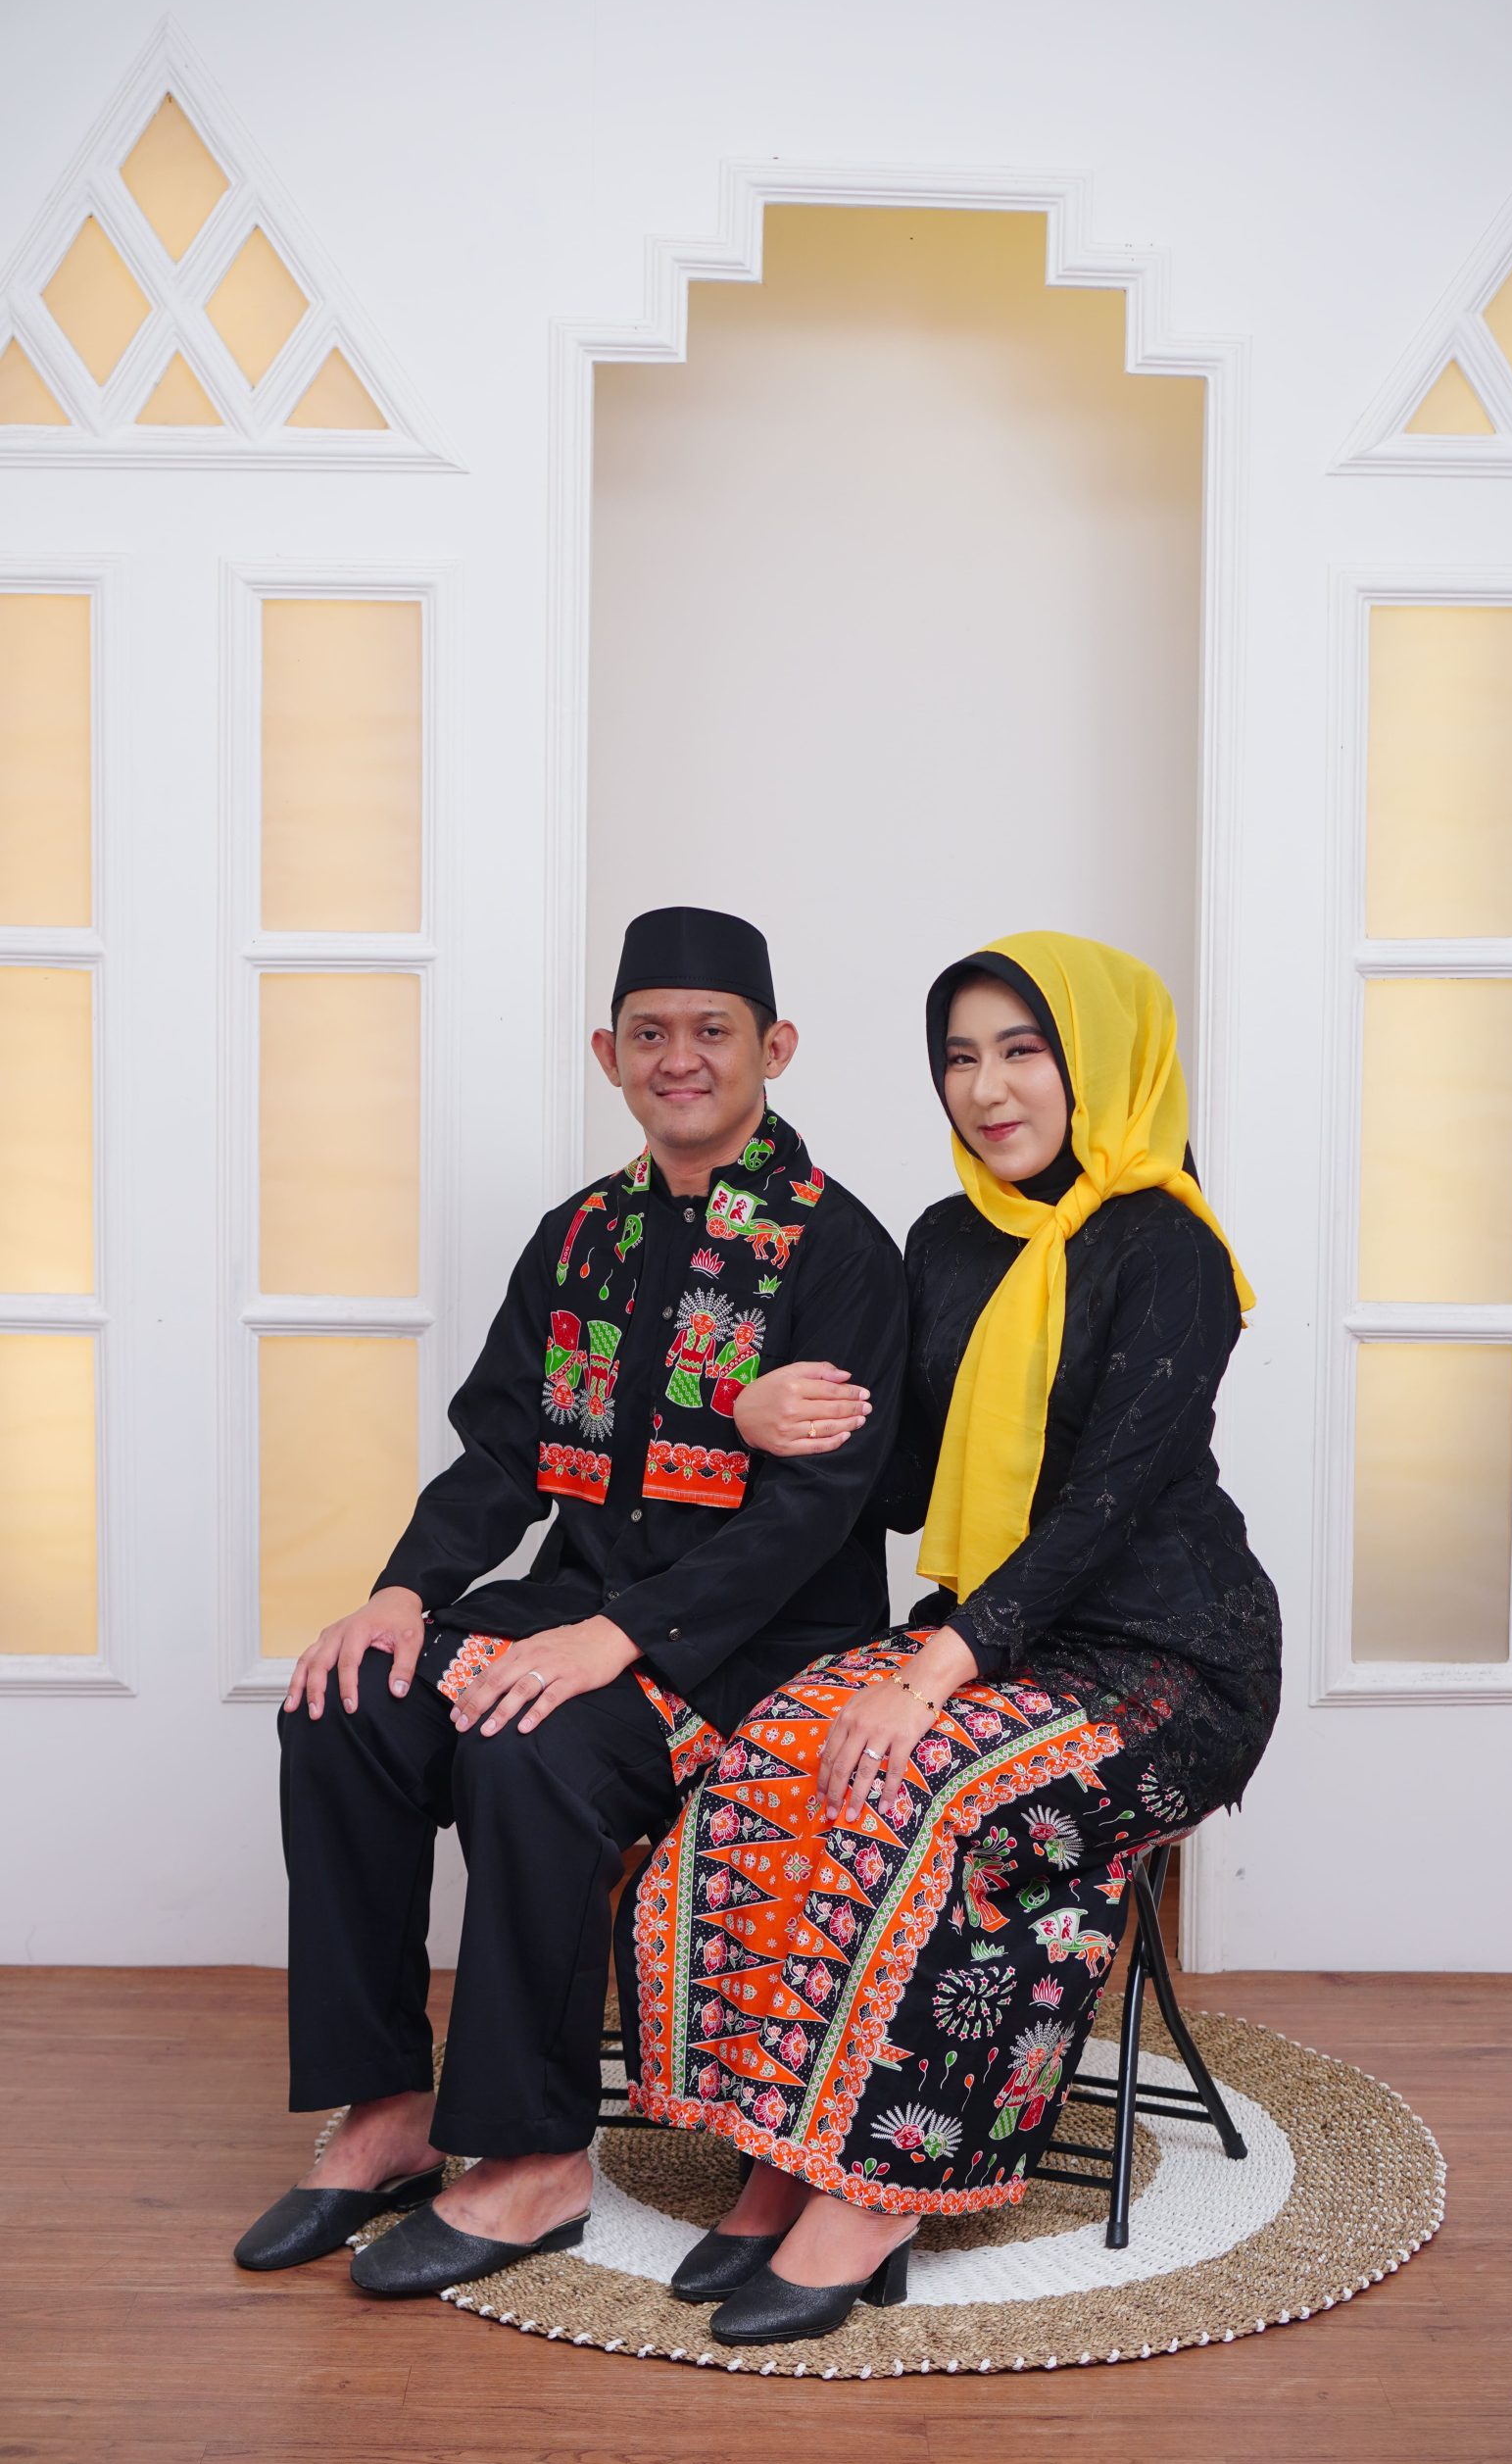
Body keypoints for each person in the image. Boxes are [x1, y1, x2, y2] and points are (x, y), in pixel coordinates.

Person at [618, 932, 1281, 2346]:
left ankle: (879, 2189)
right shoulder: (948, 1236)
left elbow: (1103, 1507)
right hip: (999, 1639)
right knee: (778, 1748)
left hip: (1166, 1658)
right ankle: (784, 2145)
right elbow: (905, 1477)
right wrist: (751, 1409)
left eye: (1025, 1051)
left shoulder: (1168, 1246)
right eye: (961, 1057)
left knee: (931, 1787)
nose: (987, 1088)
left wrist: (932, 1670)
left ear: (1100, 1062)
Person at [233, 907, 906, 2297]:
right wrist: (403, 1595)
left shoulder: (840, 1249)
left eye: (712, 1031)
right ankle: (389, 2108)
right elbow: (501, 1451)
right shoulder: (579, 1237)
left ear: (774, 1048)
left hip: (752, 1650)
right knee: (347, 1704)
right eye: (650, 1033)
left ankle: (536, 2159)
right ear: (608, 1055)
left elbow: (814, 1516)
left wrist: (619, 1640)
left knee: (526, 1744)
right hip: (576, 1606)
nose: (680, 1058)